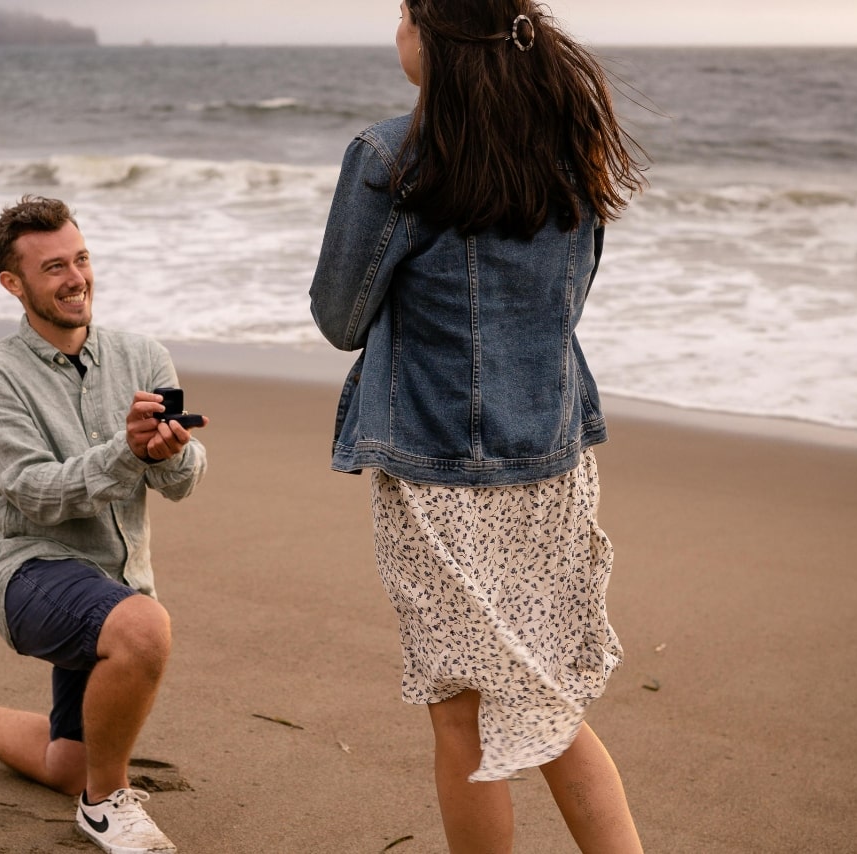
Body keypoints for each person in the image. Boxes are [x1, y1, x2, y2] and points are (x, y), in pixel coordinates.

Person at [309, 3, 646, 852]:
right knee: (548, 701)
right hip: (552, 459)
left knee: (463, 714)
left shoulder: (392, 157)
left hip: (437, 470)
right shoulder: (570, 151)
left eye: (404, 17)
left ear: (437, 37)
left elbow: (340, 318)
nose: (397, 33)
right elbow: (565, 304)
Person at [0, 195, 207, 854]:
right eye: (54, 268)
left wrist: (167, 454)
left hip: (116, 580)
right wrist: (125, 452)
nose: (77, 279)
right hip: (26, 569)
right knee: (144, 630)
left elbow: (181, 483)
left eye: (82, 259)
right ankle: (105, 808)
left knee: (68, 765)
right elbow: (36, 494)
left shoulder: (144, 355)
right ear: (14, 284)